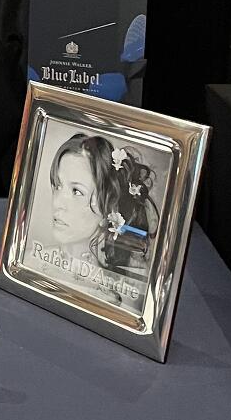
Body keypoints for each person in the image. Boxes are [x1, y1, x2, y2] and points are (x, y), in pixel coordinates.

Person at [35, 132, 157, 309]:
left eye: (77, 191)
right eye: (58, 185)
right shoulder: (30, 261)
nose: (57, 203)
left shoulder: (129, 288)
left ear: (108, 206)